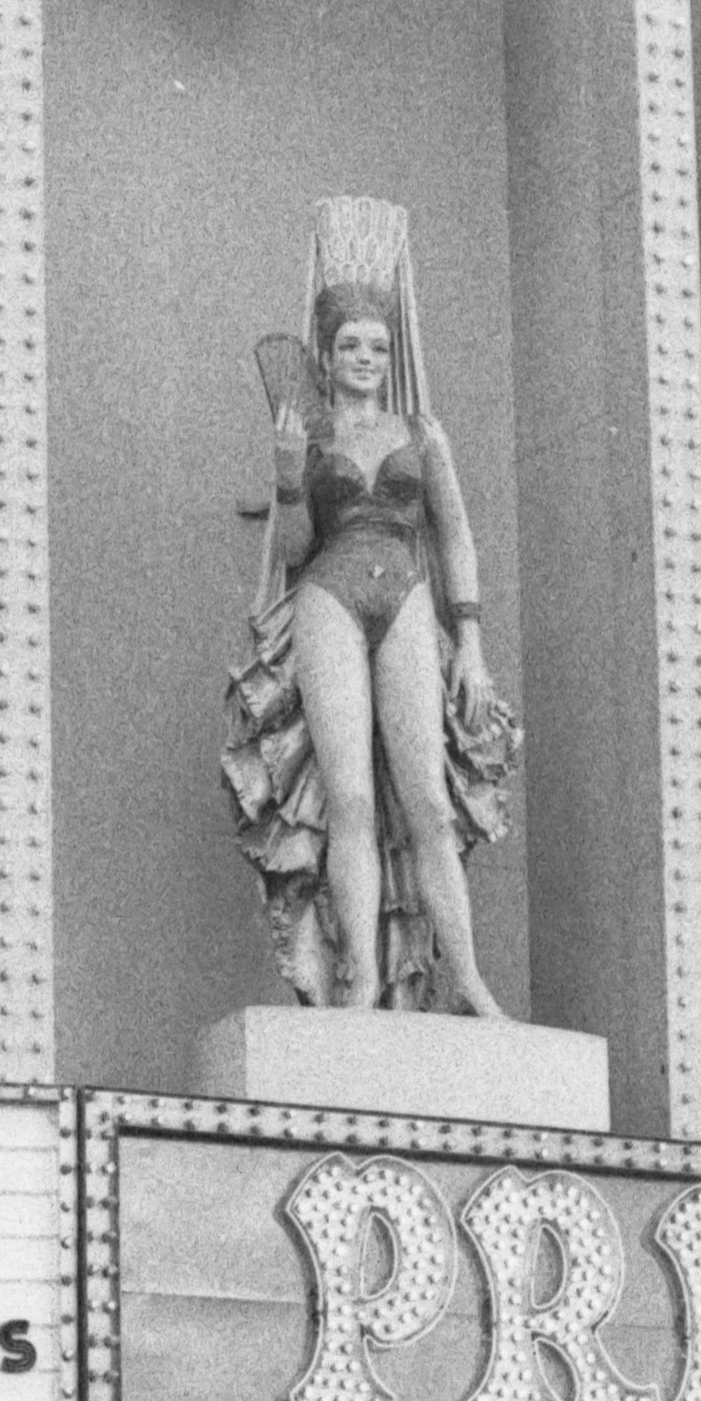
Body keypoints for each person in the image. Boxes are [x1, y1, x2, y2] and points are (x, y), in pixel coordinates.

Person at [233, 194, 518, 1015]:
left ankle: (467, 980)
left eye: (378, 346)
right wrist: (288, 473)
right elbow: (291, 552)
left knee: (427, 800)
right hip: (328, 593)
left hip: (406, 598)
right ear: (325, 356)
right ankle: (358, 978)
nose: (366, 356)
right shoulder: (312, 435)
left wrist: (470, 642)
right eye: (351, 345)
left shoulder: (422, 433)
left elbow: (456, 535)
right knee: (350, 798)